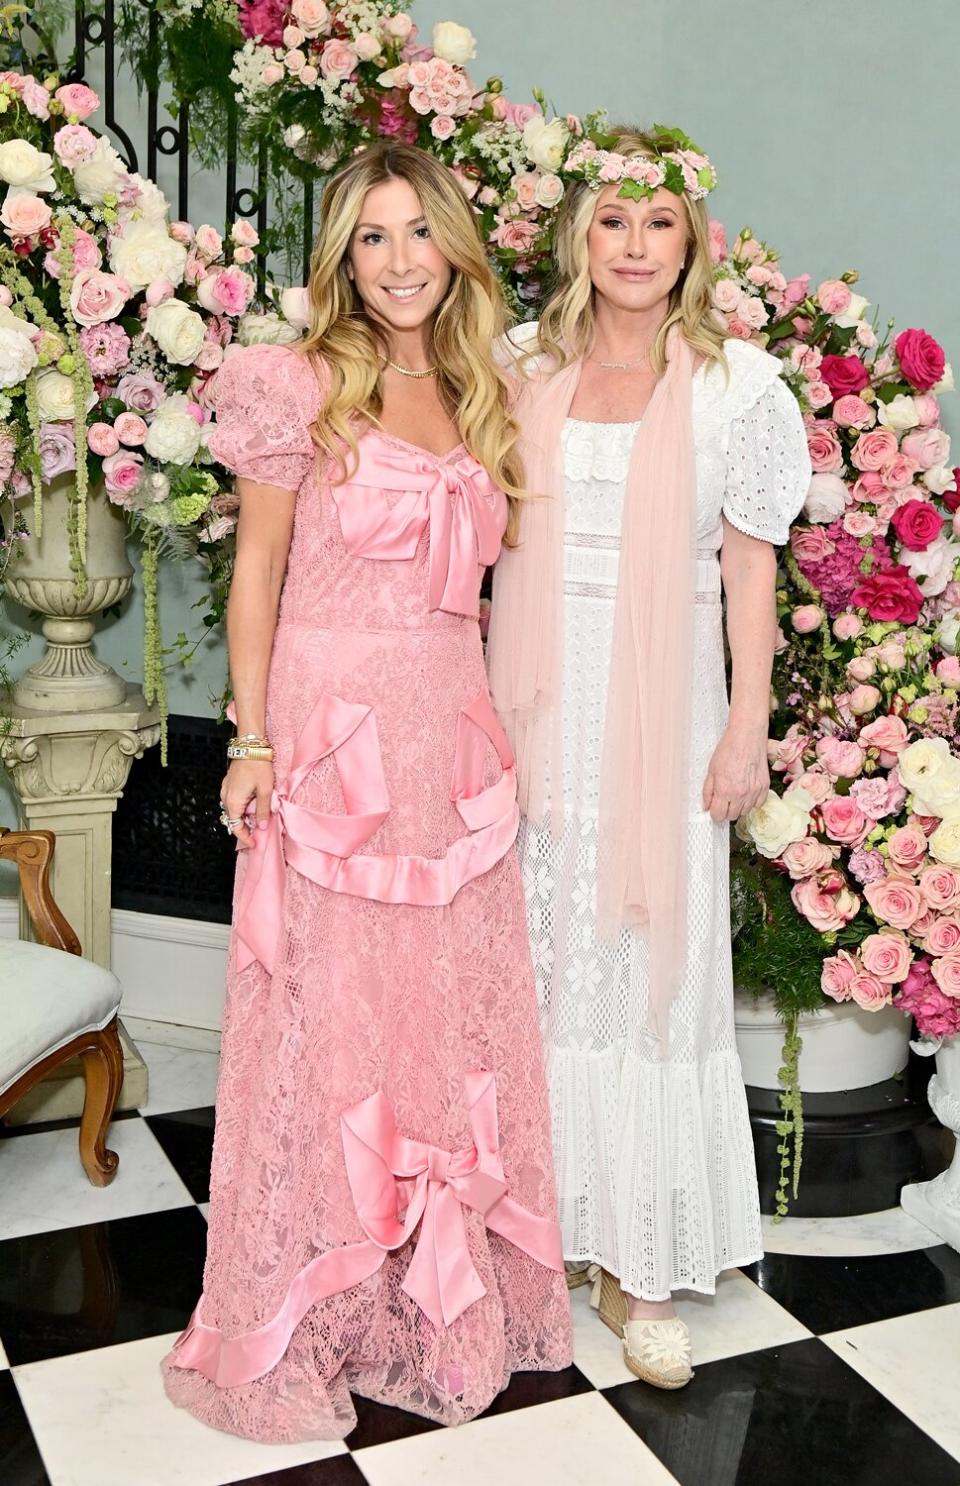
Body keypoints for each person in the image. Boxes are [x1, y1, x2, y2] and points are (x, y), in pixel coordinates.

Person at [162, 142, 571, 1443]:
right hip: (333, 744)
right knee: (327, 1033)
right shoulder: (296, 384)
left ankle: (436, 1300)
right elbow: (257, 578)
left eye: (417, 234)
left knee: (443, 1029)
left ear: (453, 247)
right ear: (342, 258)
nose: (398, 261)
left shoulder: (484, 389)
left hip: (449, 735)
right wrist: (254, 740)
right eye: (371, 238)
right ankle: (315, 1304)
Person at [487, 125, 811, 1389]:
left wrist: (745, 727)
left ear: (693, 242)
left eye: (658, 223)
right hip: (535, 711)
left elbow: (749, 570)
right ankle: (542, 1234)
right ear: (580, 237)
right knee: (536, 961)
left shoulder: (740, 388)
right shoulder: (519, 364)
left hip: (668, 715)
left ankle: (637, 1263)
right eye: (612, 222)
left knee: (645, 968)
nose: (634, 246)